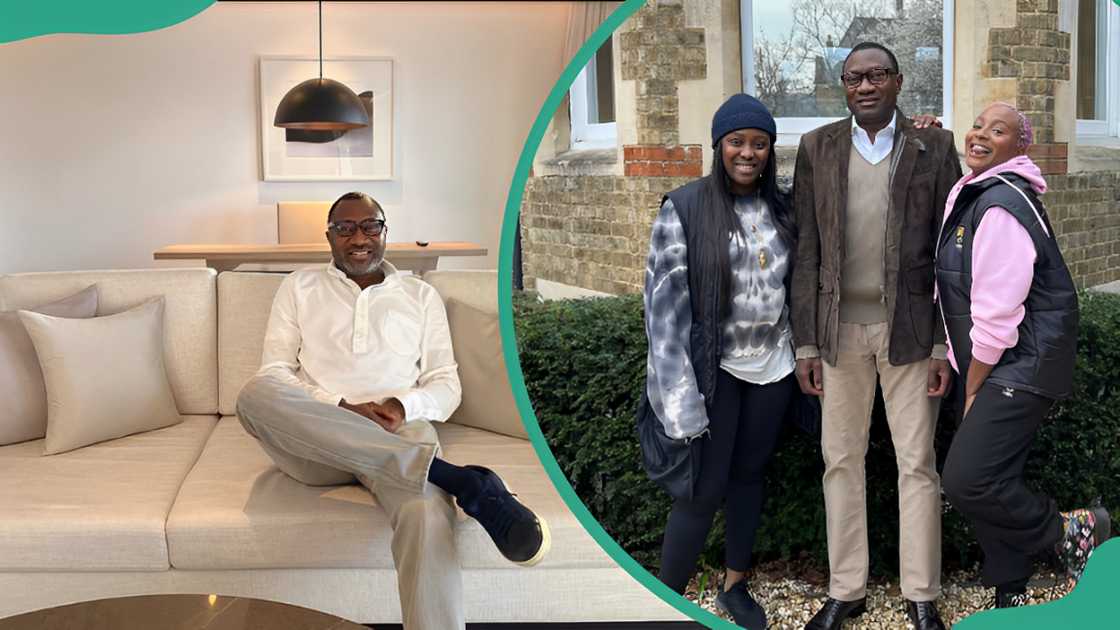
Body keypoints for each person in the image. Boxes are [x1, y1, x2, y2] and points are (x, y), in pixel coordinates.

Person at [235, 192, 549, 630]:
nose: (358, 237)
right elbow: (275, 372)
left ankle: (431, 474)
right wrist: (340, 407)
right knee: (253, 394)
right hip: (317, 441)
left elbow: (446, 384)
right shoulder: (298, 286)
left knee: (425, 513)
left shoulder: (421, 296)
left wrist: (402, 407)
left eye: (370, 226)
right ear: (329, 236)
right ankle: (456, 478)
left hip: (399, 432)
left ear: (385, 232)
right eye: (344, 228)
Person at [790, 42, 962, 630]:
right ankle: (847, 589)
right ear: (843, 86)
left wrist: (943, 343)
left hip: (909, 330)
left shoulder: (934, 146)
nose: (865, 86)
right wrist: (806, 344)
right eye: (853, 78)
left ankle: (921, 594)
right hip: (839, 333)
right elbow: (806, 249)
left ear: (897, 81)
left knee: (917, 464)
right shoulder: (817, 148)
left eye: (876, 75)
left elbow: (950, 253)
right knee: (840, 460)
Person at [936, 102, 1111, 609]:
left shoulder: (999, 206)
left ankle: (1071, 530)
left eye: (999, 130)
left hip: (1018, 362)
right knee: (996, 476)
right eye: (977, 125)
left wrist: (972, 385)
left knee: (966, 479)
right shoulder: (984, 193)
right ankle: (1009, 585)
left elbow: (997, 315)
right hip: (1006, 360)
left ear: (1020, 146)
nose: (981, 135)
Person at [642, 93, 798, 630]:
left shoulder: (784, 208)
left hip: (772, 368)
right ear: (718, 146)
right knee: (701, 490)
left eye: (759, 143)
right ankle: (666, 600)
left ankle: (734, 586)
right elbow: (663, 312)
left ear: (771, 149)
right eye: (737, 142)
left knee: (750, 477)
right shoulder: (683, 208)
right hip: (715, 373)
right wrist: (679, 400)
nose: (748, 152)